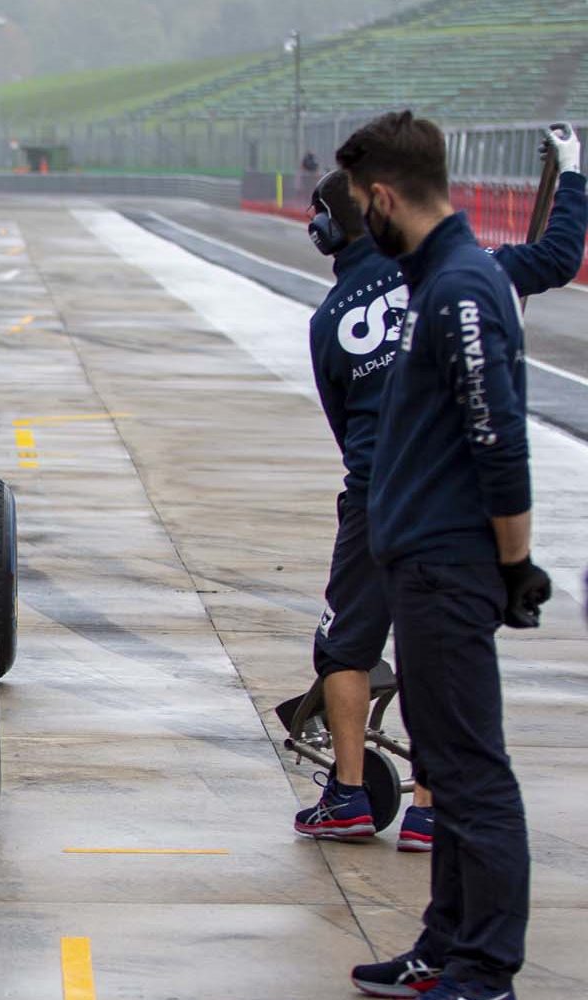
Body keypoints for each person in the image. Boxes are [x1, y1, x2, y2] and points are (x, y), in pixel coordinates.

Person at [295, 124, 584, 861]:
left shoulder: (330, 320)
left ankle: (349, 795)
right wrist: (574, 177)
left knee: (343, 647)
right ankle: (427, 809)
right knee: (438, 655)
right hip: (454, 513)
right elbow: (556, 257)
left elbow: (341, 422)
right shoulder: (465, 273)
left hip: (374, 500)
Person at [335, 110, 553, 1000]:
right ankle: (445, 944)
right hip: (423, 561)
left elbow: (497, 436)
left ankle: (486, 969)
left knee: (470, 772)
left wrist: (514, 565)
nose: (359, 219)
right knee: (447, 768)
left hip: (448, 567)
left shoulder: (460, 289)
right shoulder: (440, 279)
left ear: (383, 196)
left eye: (360, 202)